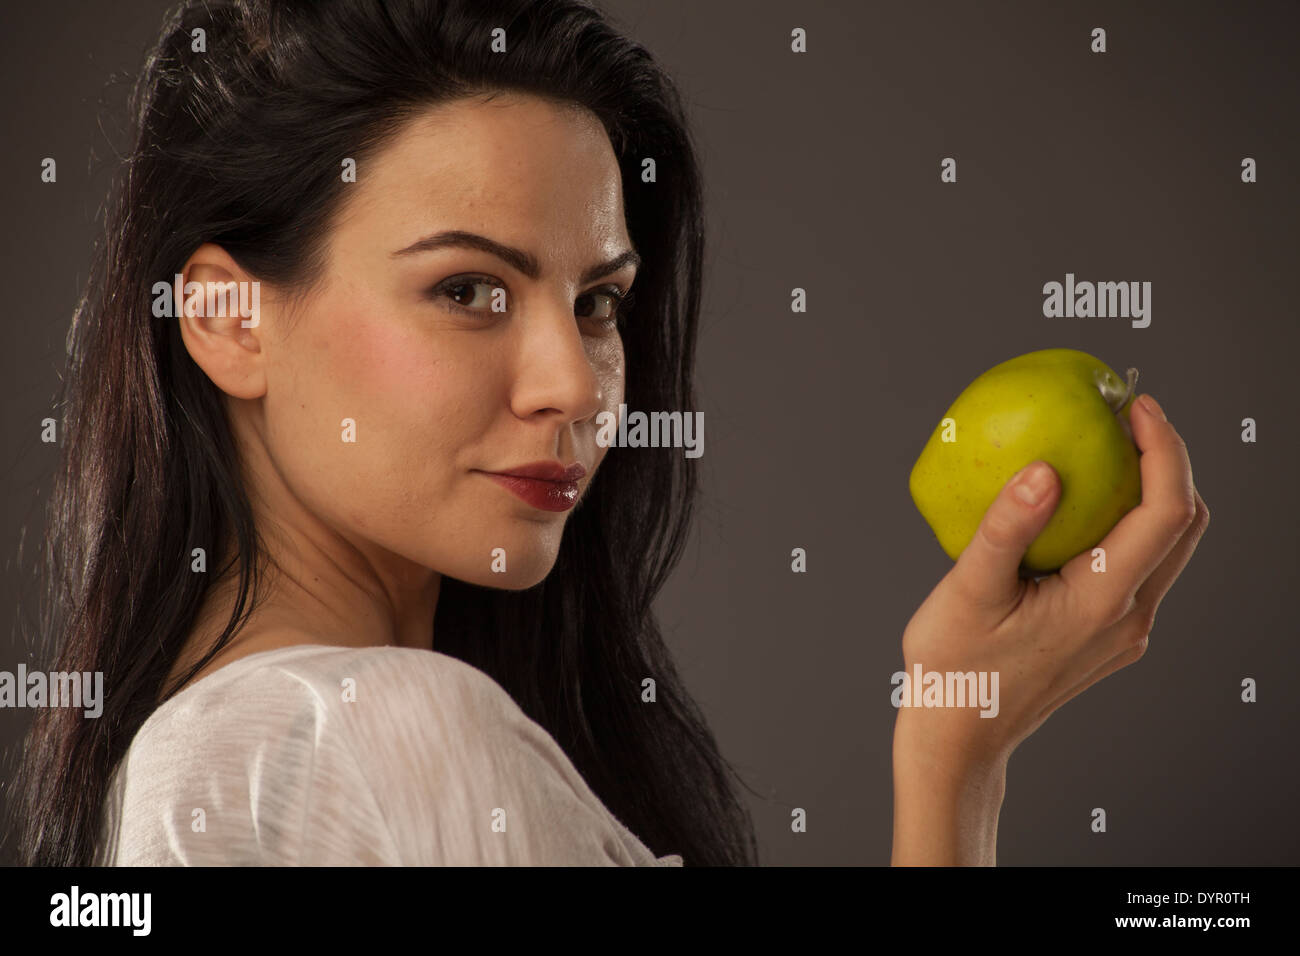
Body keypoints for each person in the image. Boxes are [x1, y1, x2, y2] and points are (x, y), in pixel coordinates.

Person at [8, 0, 1208, 867]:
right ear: (225, 320)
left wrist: (959, 743)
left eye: (598, 303)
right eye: (470, 289)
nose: (574, 386)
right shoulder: (377, 730)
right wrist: (956, 765)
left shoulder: (199, 759)